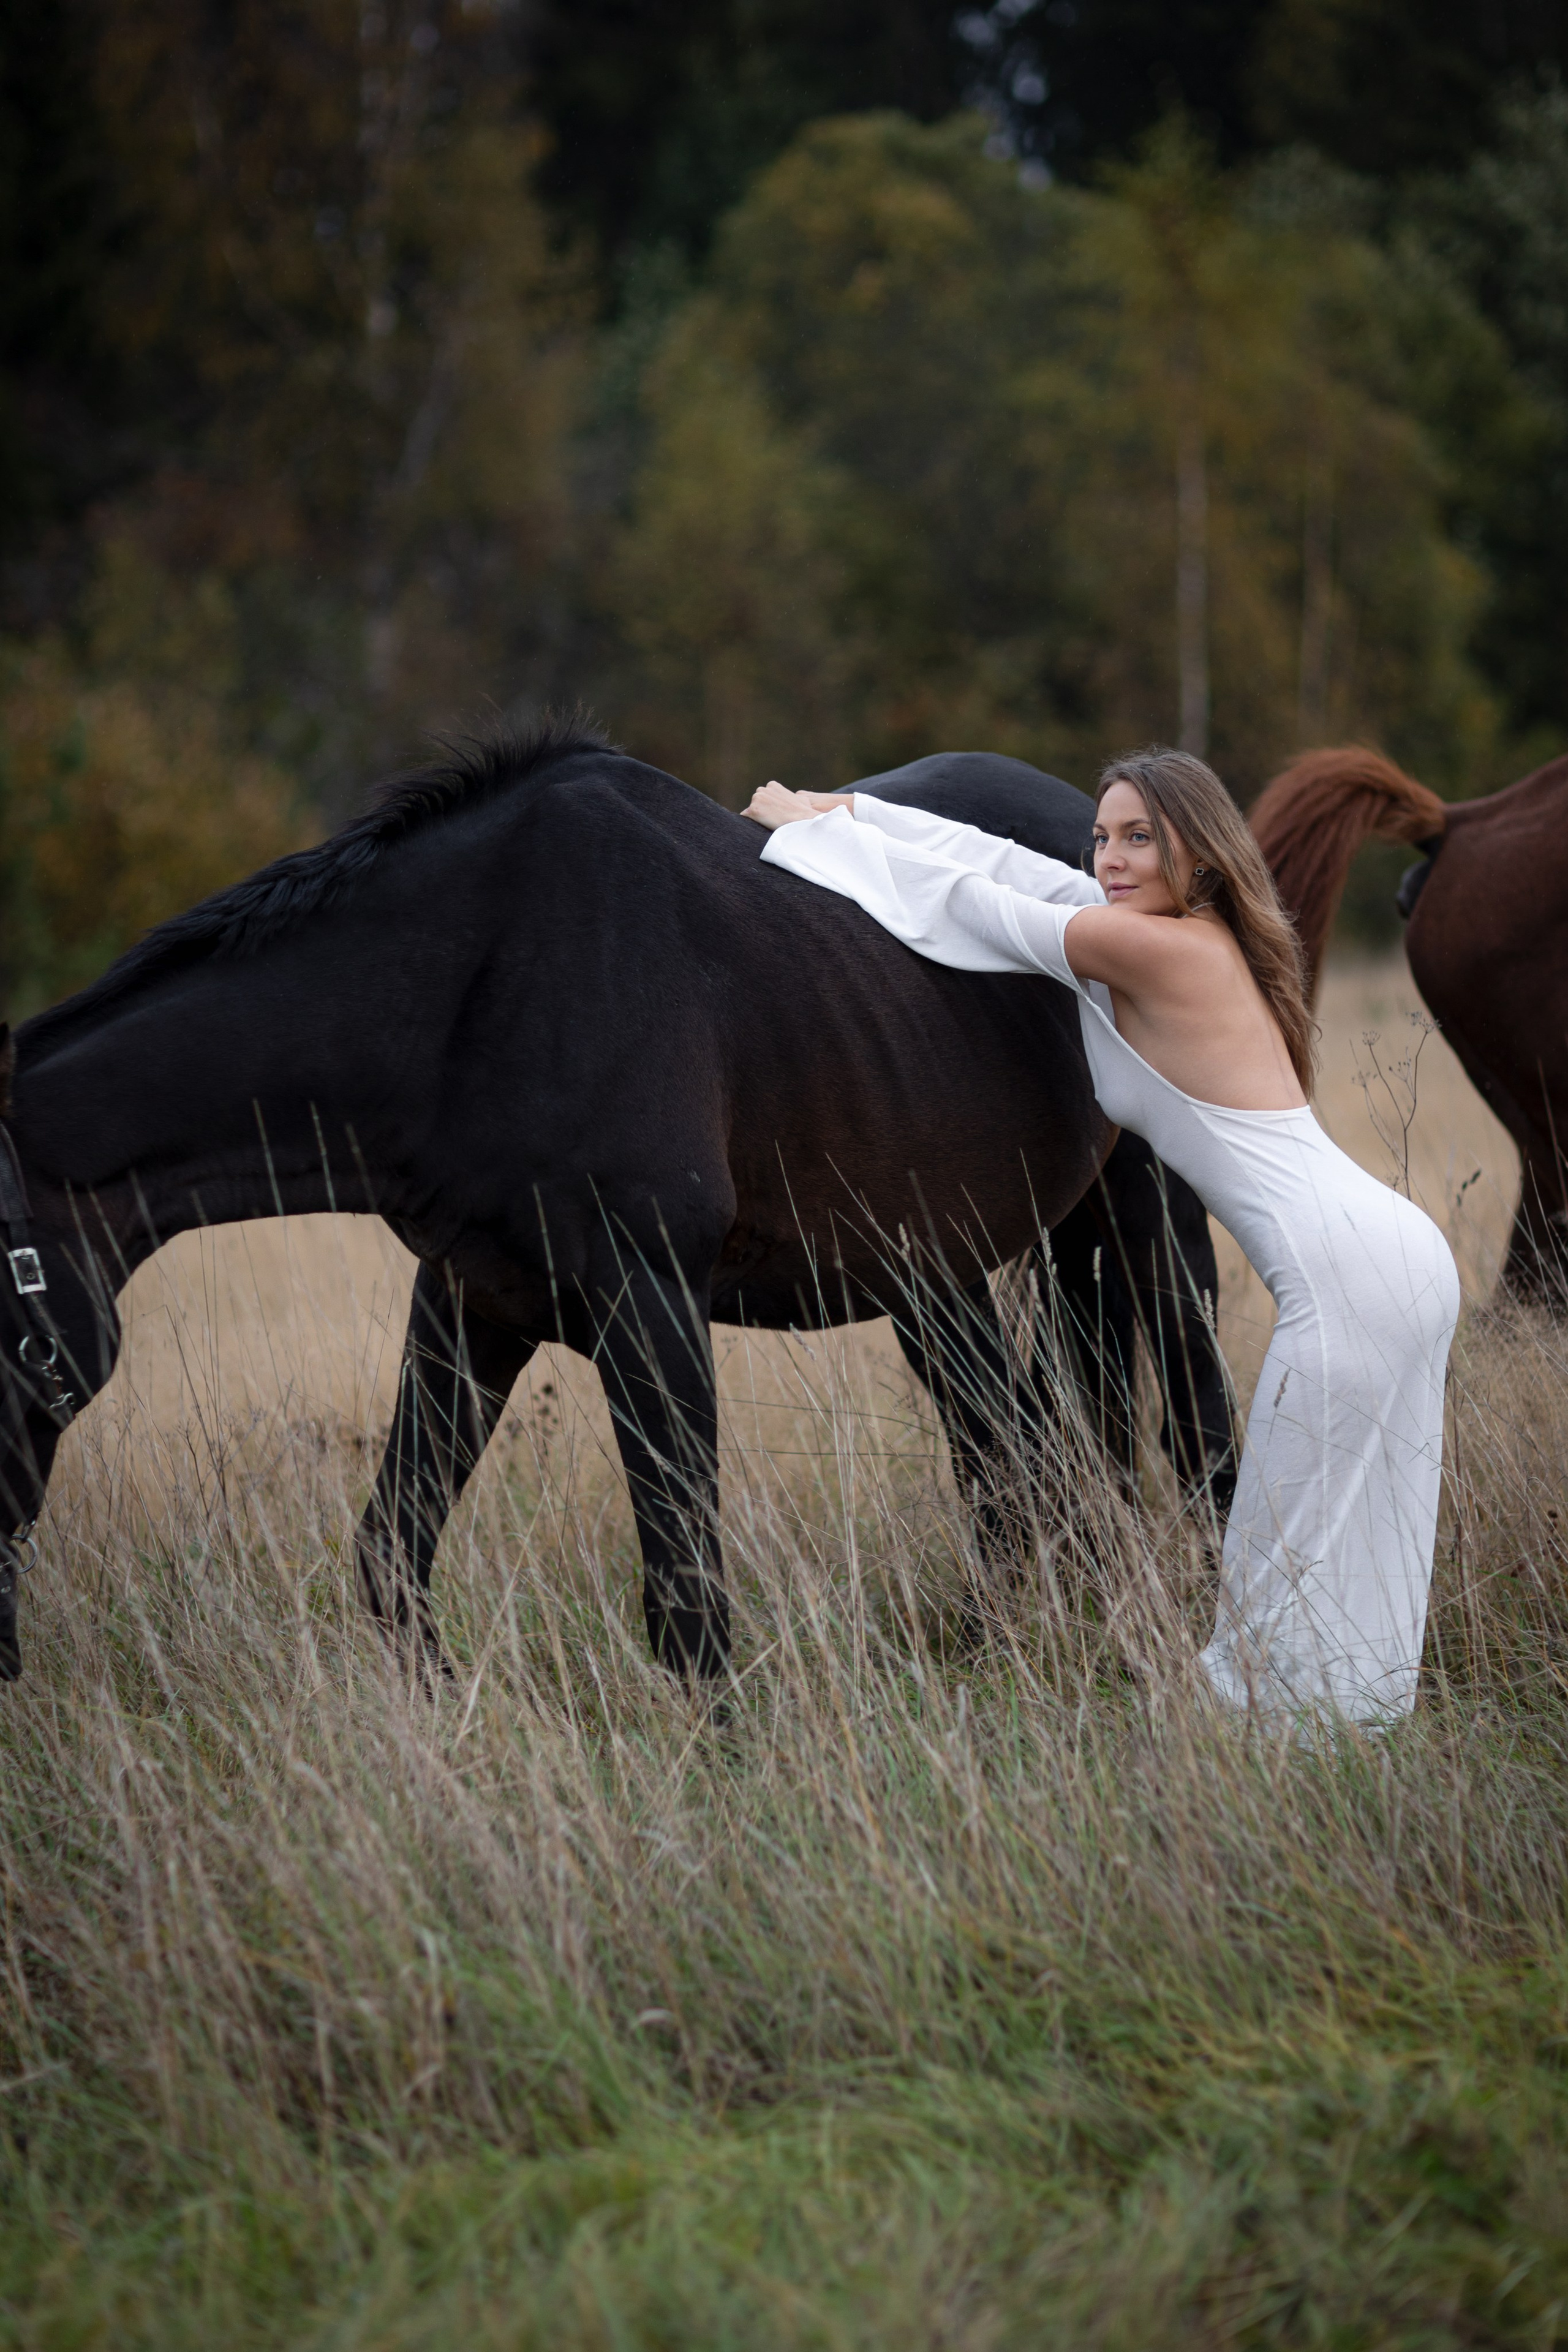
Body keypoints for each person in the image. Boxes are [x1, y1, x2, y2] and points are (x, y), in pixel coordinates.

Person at [744, 747, 1460, 1727]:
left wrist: (815, 841)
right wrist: (851, 809)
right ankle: (1349, 1748)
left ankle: (1251, 1767)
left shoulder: (1160, 951)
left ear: (1198, 858)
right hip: (1392, 1258)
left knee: (1276, 1571)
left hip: (1348, 1283)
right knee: (1360, 1559)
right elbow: (1004, 863)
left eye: (1138, 839)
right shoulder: (1182, 931)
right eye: (1102, 836)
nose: (1110, 860)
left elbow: (982, 909)